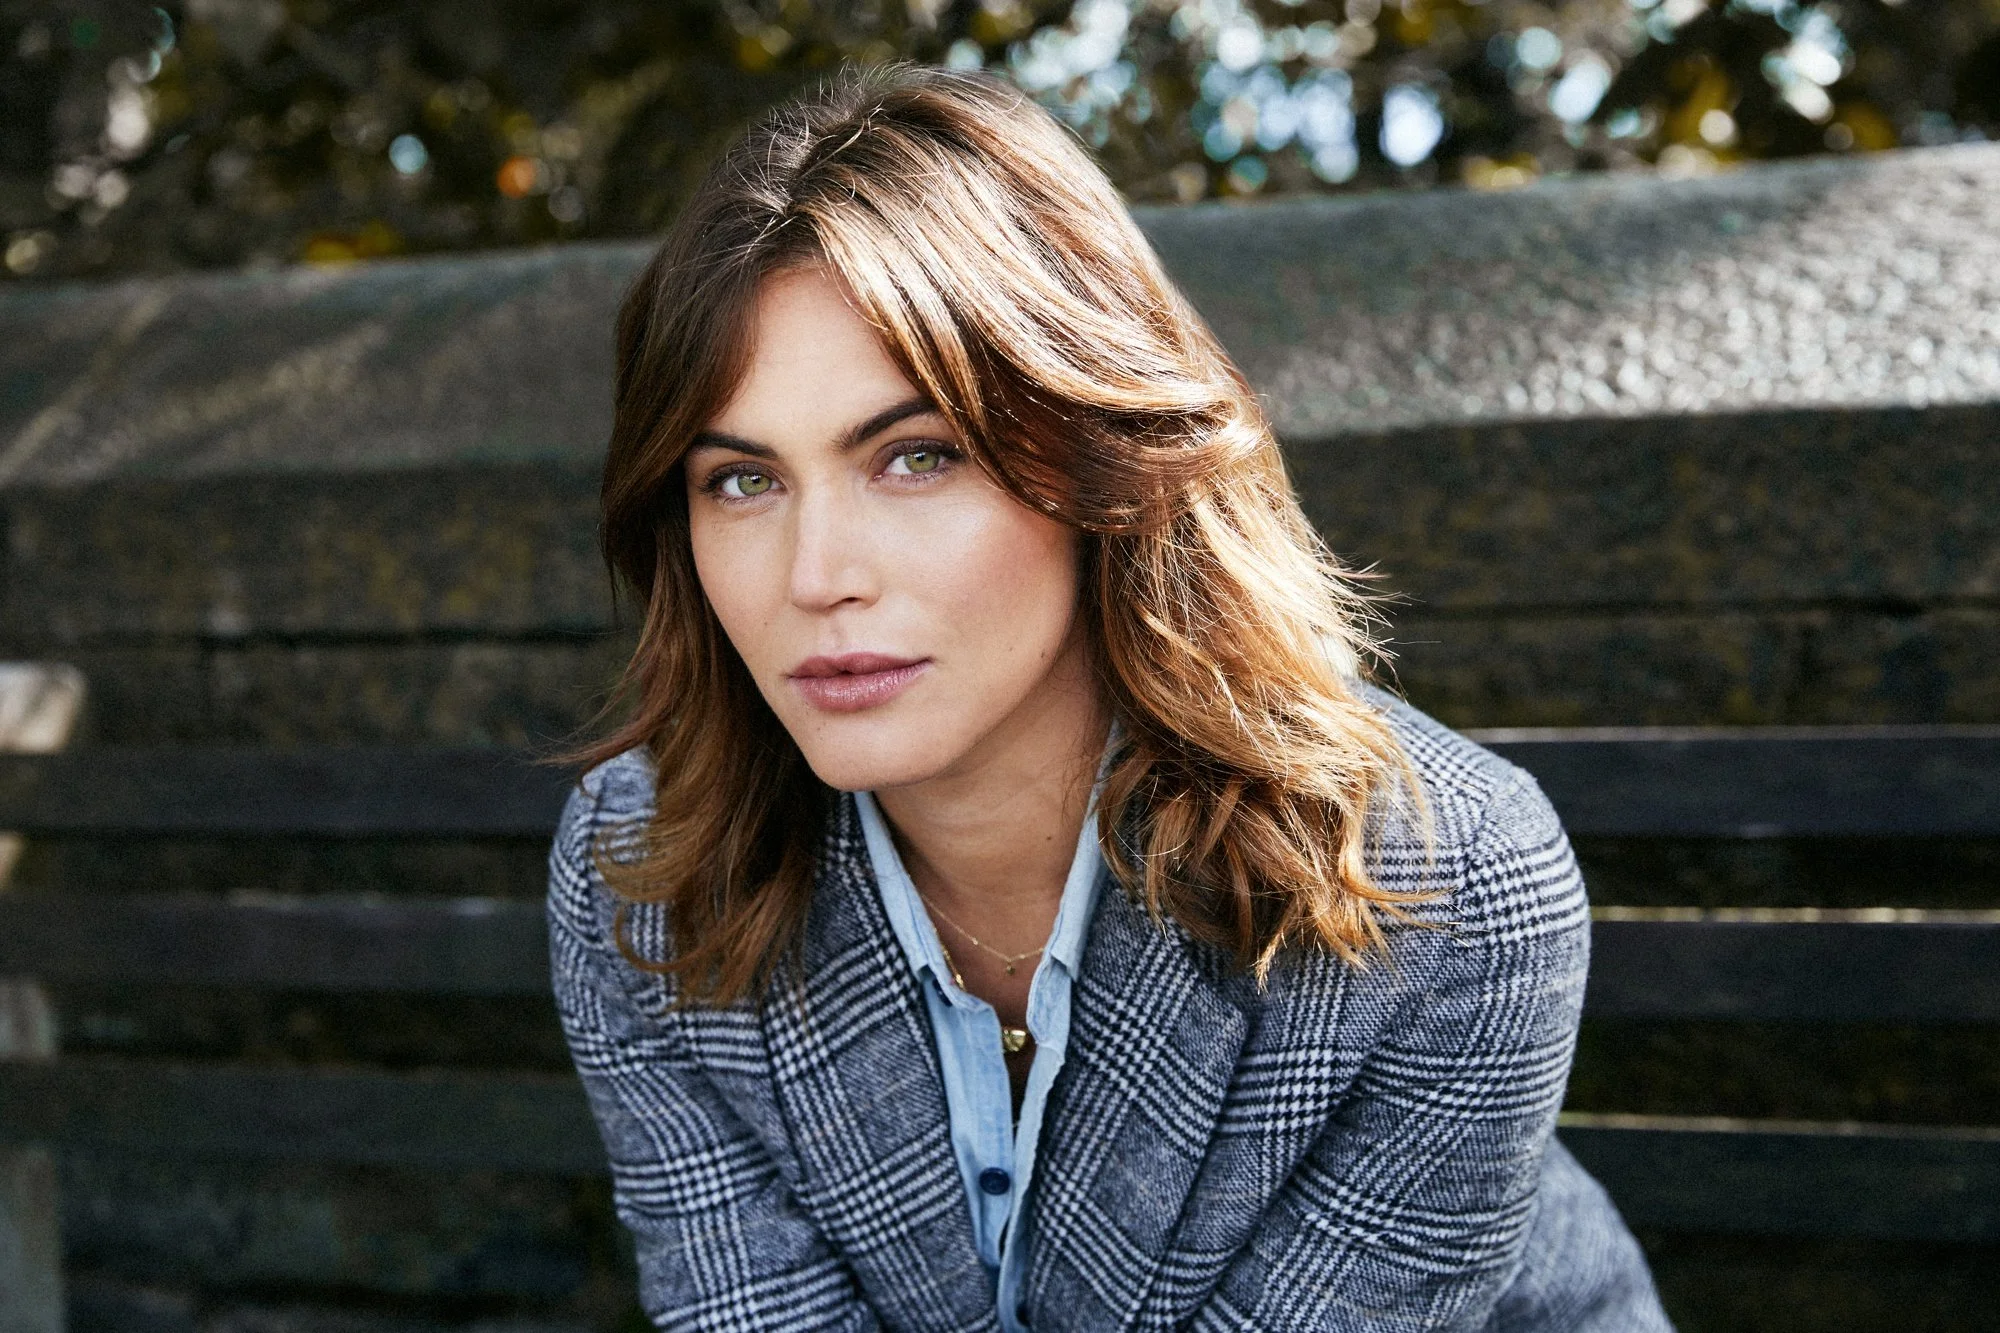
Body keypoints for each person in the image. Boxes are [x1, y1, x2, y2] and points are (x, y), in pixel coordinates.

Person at [547, 62, 1672, 1332]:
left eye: (915, 458)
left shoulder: (1448, 892)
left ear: (1097, 461)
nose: (816, 578)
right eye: (742, 482)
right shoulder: (640, 874)